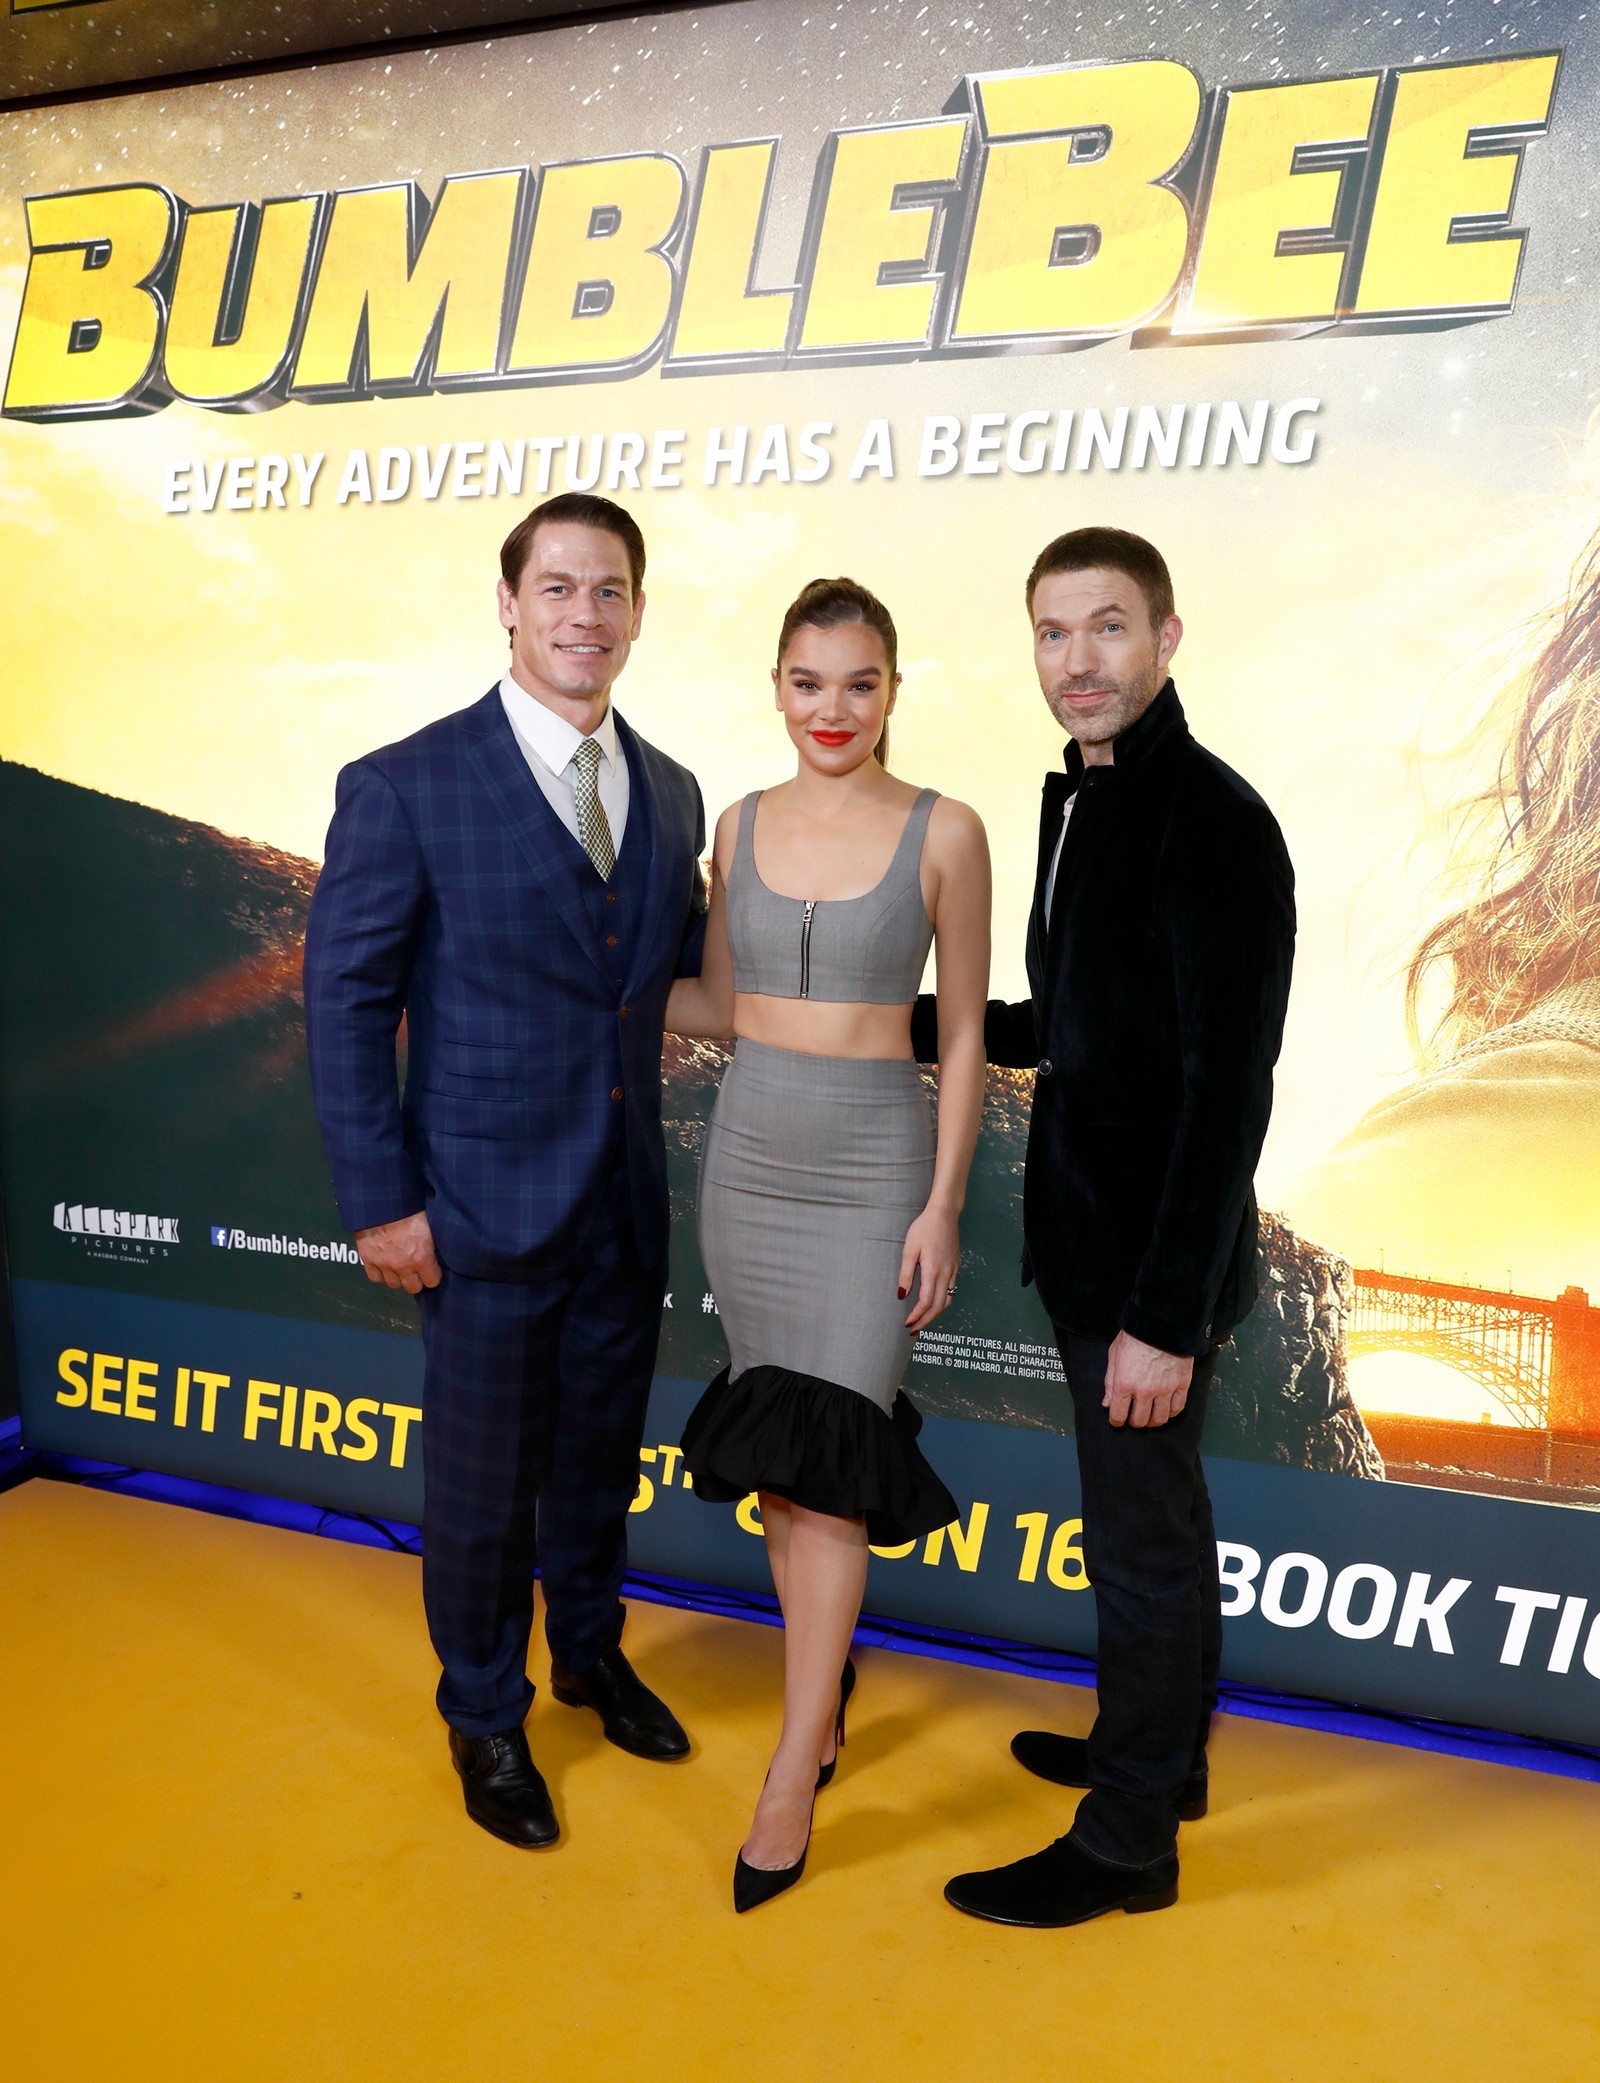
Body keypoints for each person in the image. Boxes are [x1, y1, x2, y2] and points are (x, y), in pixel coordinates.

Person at [303, 492, 708, 1851]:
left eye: (610, 590)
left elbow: (665, 978)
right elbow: (346, 1004)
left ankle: (587, 1654)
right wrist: (380, 1203)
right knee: (480, 1490)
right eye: (558, 588)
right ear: (510, 604)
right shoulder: (406, 784)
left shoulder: (671, 791)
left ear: (638, 612)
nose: (585, 614)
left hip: (622, 1205)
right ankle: (484, 1712)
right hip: (474, 1213)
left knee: (598, 1463)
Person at [917, 526, 1295, 1929]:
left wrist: (1163, 1317)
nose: (1078, 660)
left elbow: (1227, 1092)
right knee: (1154, 1527)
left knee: (1140, 1545)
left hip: (1147, 1277)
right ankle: (1160, 1759)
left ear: (1167, 638)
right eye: (1053, 632)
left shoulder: (1215, 822)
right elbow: (1074, 1027)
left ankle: (1130, 1839)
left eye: (1109, 627)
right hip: (1094, 1253)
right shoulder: (1084, 797)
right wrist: (910, 1024)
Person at [667, 577, 990, 1911]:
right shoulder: (736, 826)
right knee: (783, 1473)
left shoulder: (946, 831)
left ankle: (792, 1771)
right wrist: (568, 977)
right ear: (778, 690)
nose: (833, 709)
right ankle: (822, 1704)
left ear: (893, 689)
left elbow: (959, 1033)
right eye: (808, 683)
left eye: (859, 683)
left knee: (838, 1468)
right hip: (748, 1166)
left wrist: (942, 1203)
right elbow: (719, 1005)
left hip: (873, 1173)